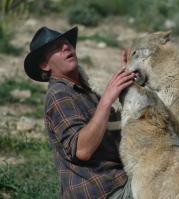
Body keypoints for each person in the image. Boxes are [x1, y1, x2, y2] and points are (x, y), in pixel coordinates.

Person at [24, 26, 134, 198]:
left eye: (66, 43)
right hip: (102, 191)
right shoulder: (59, 95)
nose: (66, 47)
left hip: (118, 180)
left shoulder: (83, 88)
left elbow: (119, 125)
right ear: (45, 65)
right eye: (56, 48)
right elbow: (82, 150)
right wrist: (106, 100)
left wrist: (128, 79)